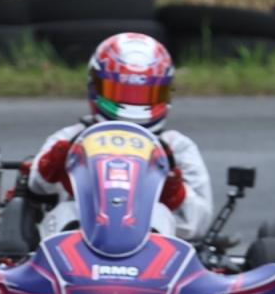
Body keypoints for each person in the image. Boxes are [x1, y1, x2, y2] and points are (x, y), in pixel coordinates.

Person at [29, 32, 213, 240]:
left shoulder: (177, 147)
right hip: (80, 232)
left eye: (144, 94)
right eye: (121, 91)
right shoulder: (71, 138)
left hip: (150, 242)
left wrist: (174, 192)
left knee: (159, 215)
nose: (133, 103)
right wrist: (54, 165)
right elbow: (36, 186)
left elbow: (199, 222)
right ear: (95, 87)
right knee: (65, 212)